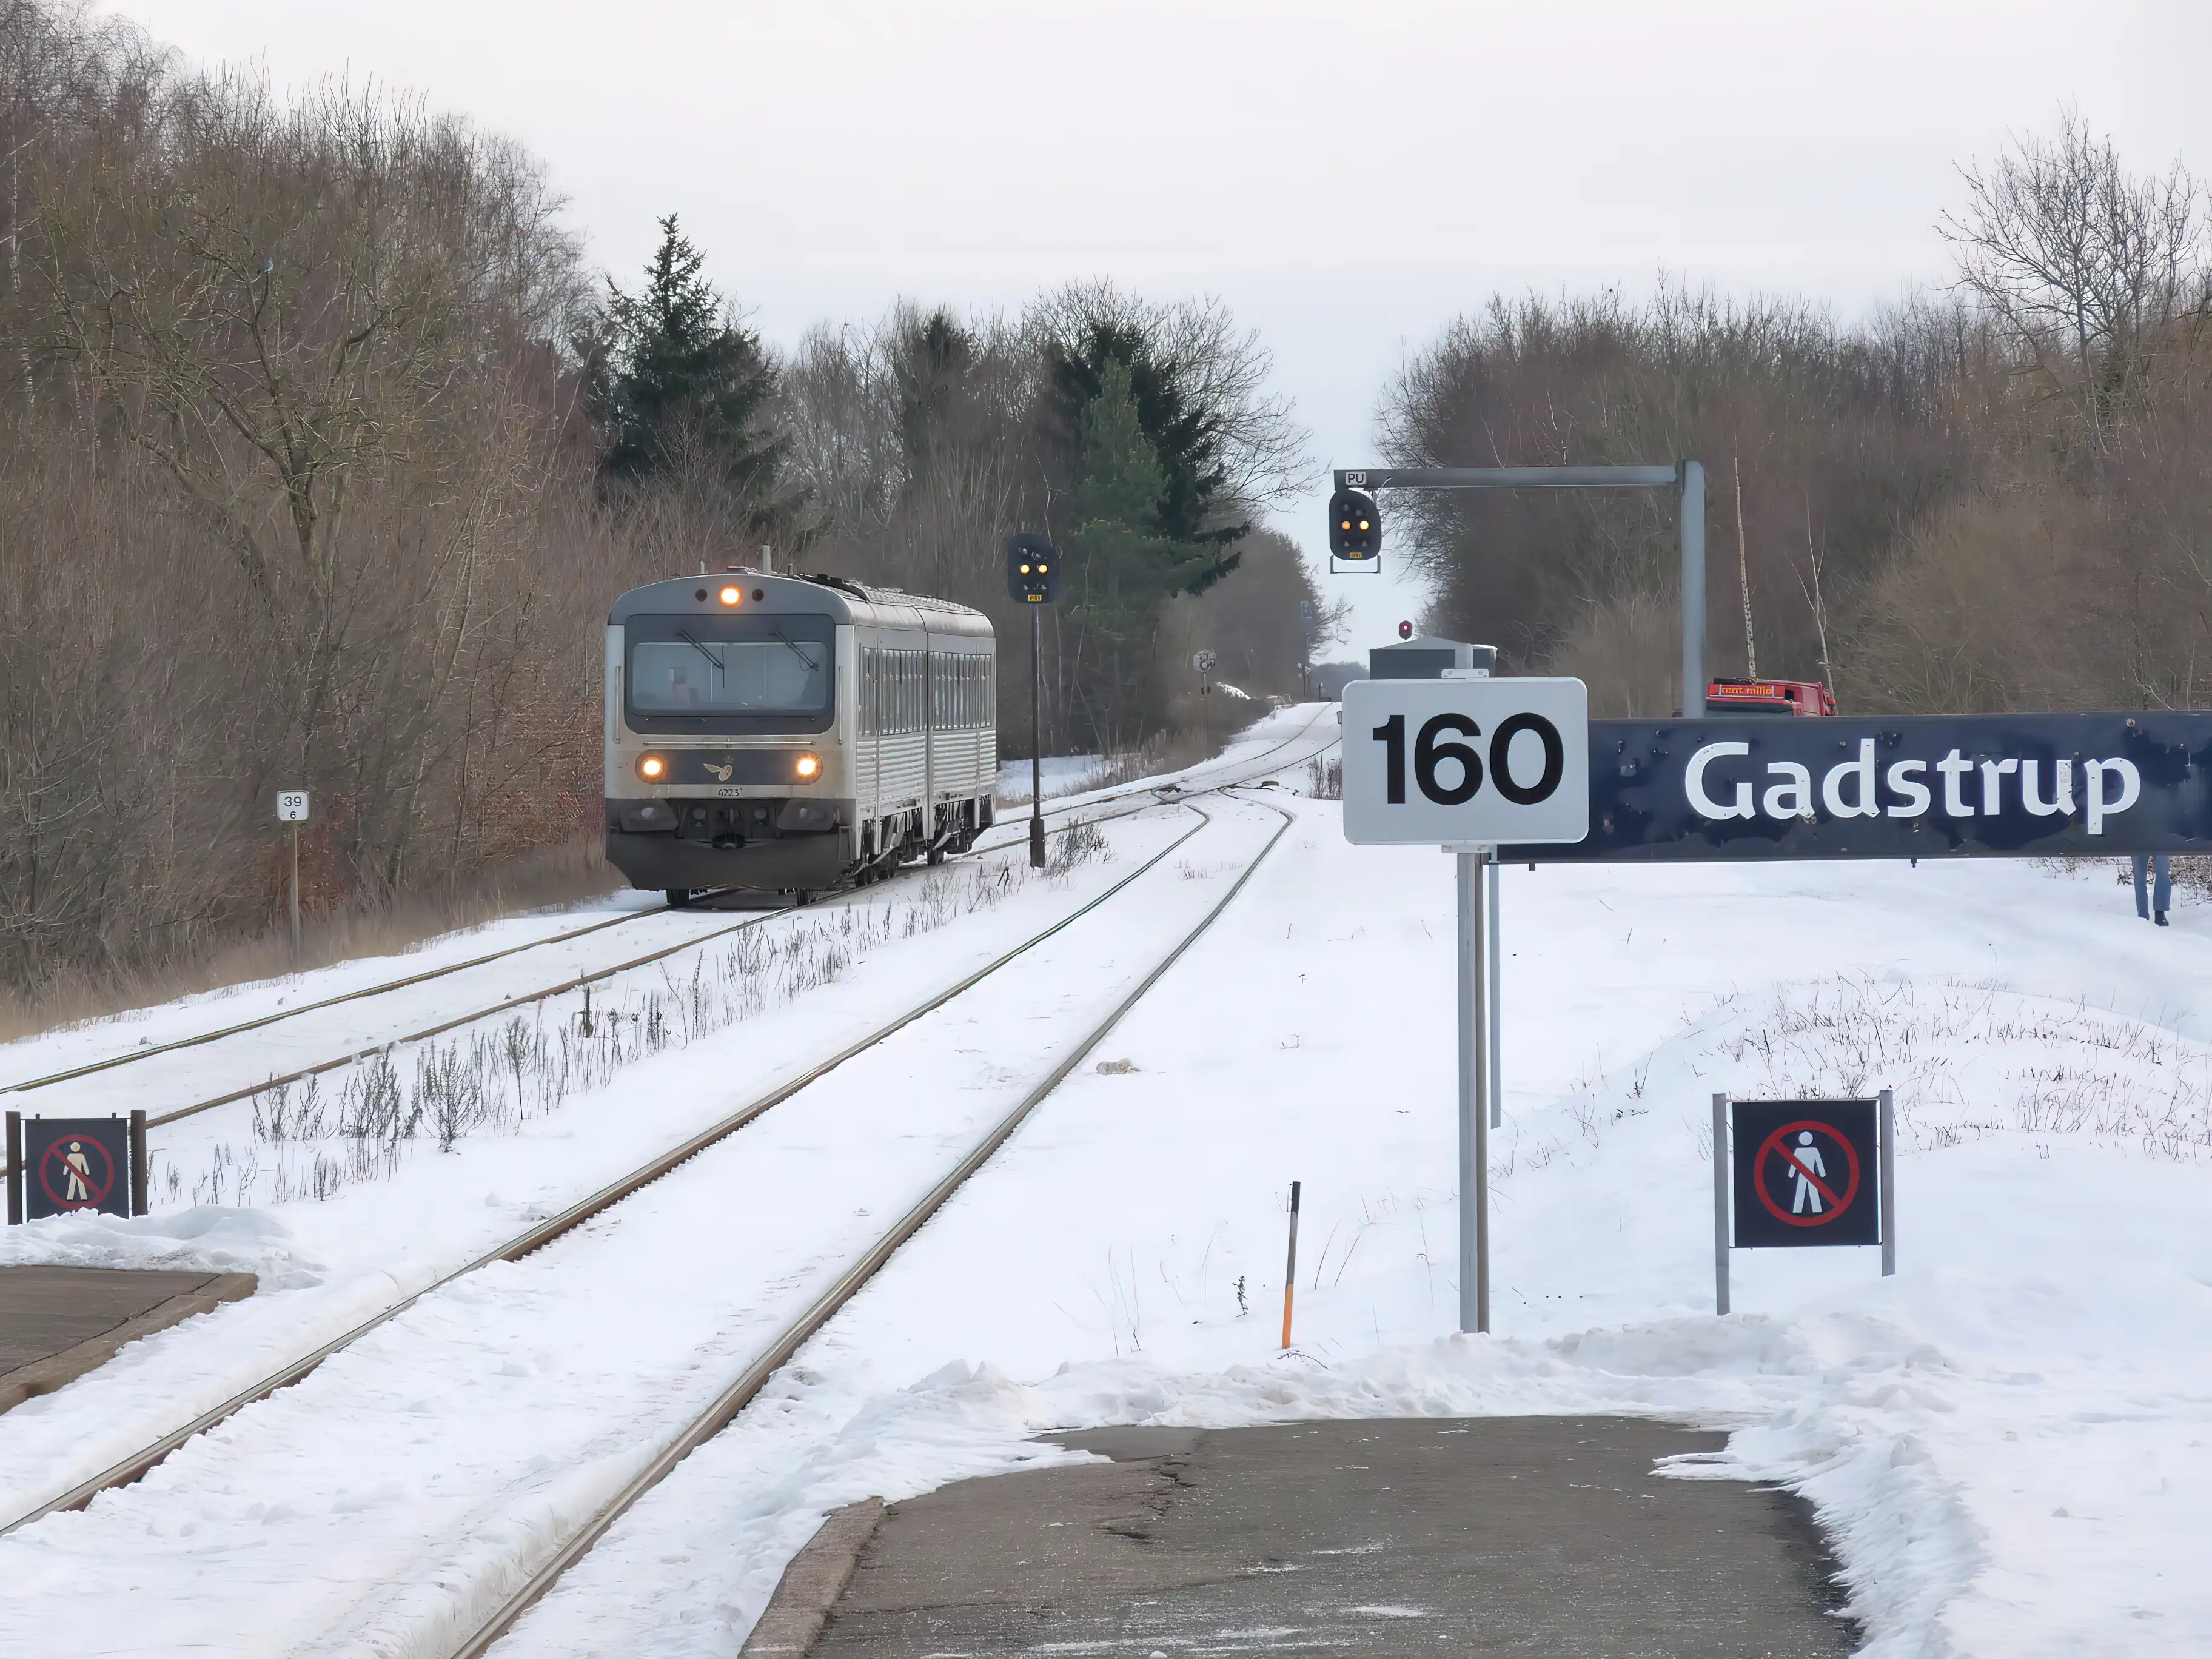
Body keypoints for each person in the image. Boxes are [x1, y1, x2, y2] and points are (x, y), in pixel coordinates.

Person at [2131, 853, 2171, 926]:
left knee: (2163, 872)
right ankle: (2143, 916)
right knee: (2139, 878)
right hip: (2137, 846)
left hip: (2160, 846)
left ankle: (2160, 914)